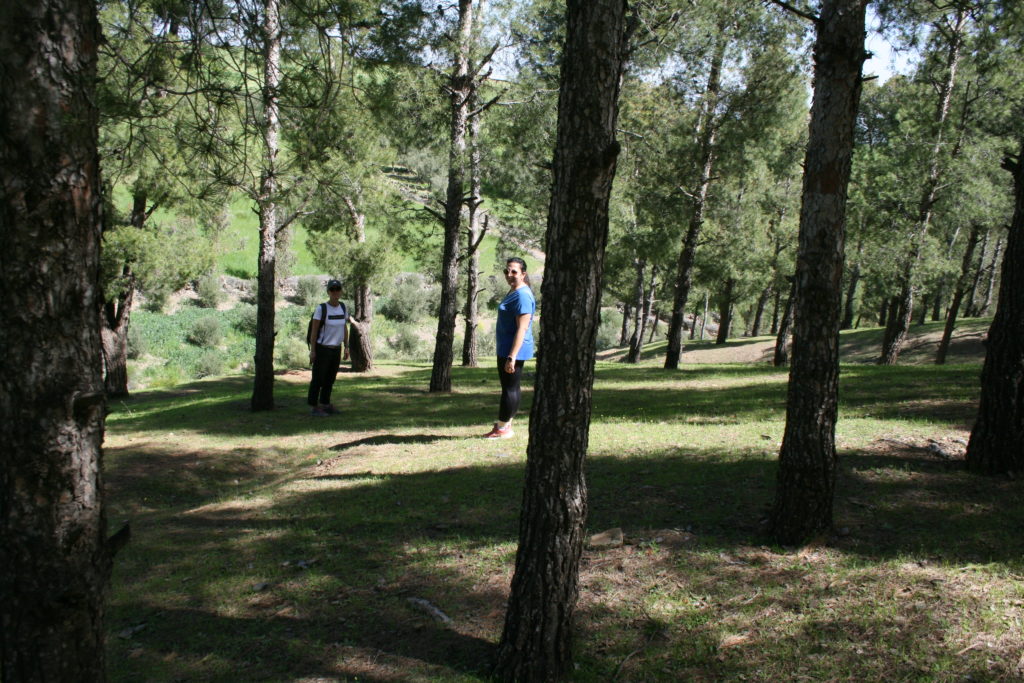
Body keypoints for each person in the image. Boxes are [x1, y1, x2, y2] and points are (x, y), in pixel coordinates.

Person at [485, 257, 536, 438]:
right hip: (508, 347)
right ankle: (505, 424)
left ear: (523, 274)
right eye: (507, 271)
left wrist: (512, 356)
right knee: (512, 387)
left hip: (513, 349)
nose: (509, 275)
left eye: (514, 271)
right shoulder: (516, 290)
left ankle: (502, 428)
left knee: (509, 388)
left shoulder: (522, 295)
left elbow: (522, 328)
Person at [307, 279, 349, 416]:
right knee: (318, 378)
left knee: (330, 379)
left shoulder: (343, 307)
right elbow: (314, 331)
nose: (335, 292)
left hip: (336, 349)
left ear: (341, 291)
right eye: (333, 289)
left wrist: (346, 346)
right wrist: (313, 351)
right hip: (322, 349)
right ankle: (314, 407)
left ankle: (325, 404)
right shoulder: (321, 309)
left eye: (338, 289)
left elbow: (344, 327)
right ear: (328, 292)